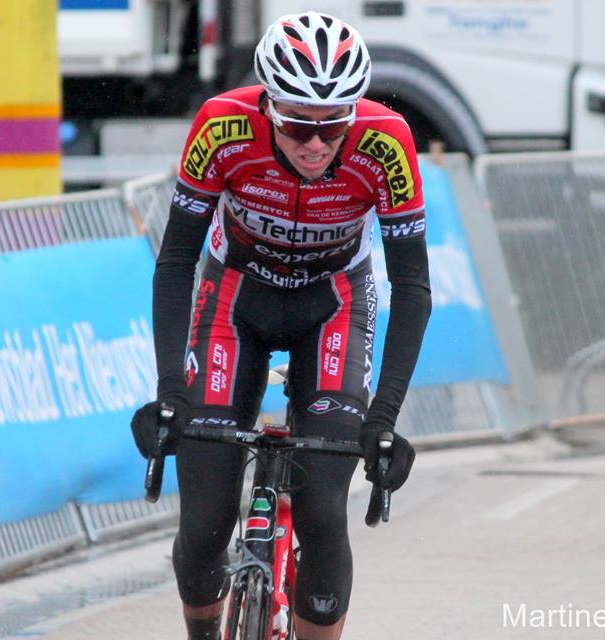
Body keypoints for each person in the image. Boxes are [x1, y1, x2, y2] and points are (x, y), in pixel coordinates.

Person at [131, 11, 431, 640]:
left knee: (322, 515)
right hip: (235, 298)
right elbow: (177, 261)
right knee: (204, 527)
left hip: (334, 305)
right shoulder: (222, 125)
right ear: (268, 106)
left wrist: (383, 418)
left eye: (334, 124)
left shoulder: (387, 141)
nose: (316, 144)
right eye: (298, 124)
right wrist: (170, 391)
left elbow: (412, 288)